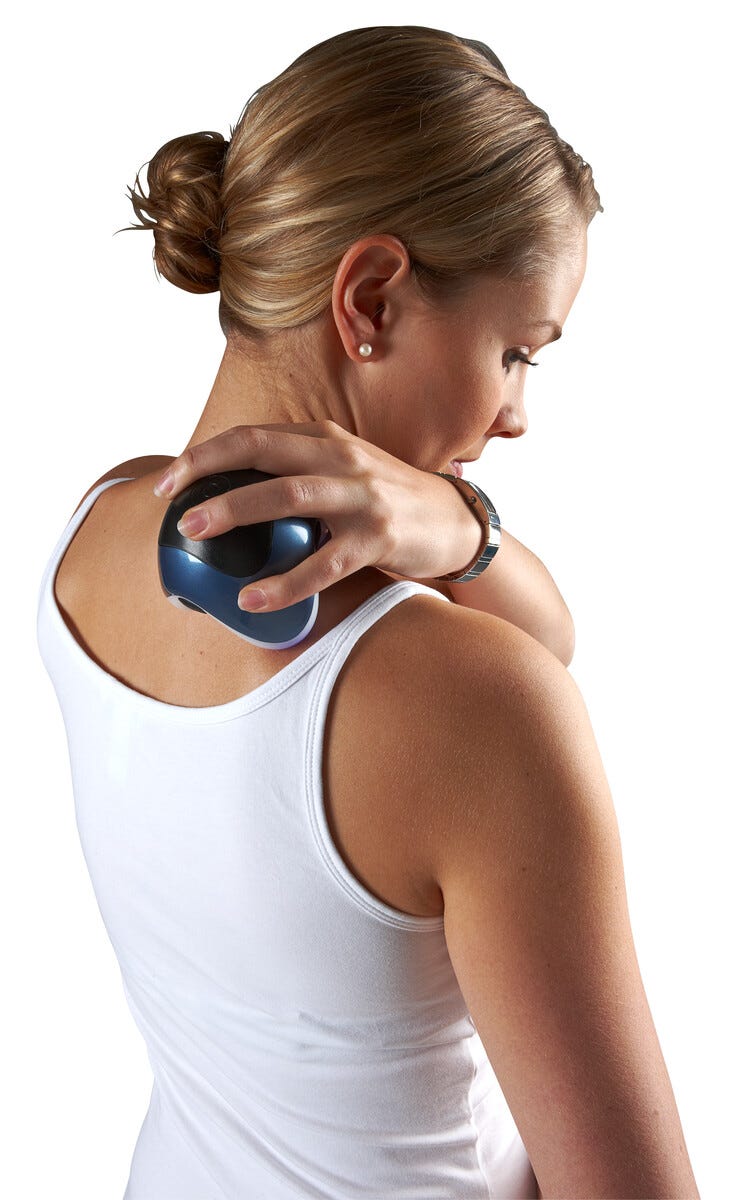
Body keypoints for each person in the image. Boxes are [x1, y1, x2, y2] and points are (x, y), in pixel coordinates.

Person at [35, 24, 699, 1200]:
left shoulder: (86, 541)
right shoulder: (474, 704)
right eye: (518, 351)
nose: (515, 415)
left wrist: (454, 524)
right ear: (373, 298)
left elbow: (545, 637)